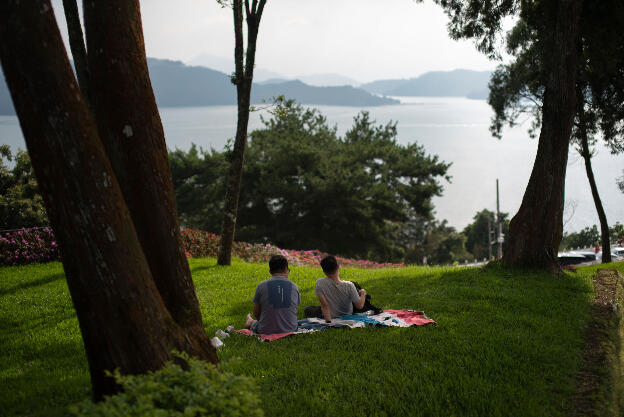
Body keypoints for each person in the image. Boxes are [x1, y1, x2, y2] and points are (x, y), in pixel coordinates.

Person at [245, 255, 300, 334]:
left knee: (255, 323)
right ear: (286, 269)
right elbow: (293, 310)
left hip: (265, 330)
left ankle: (250, 321)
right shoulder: (294, 287)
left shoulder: (261, 286)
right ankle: (251, 321)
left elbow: (256, 313)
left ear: (270, 271)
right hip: (291, 329)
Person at [314, 255, 367, 322]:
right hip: (347, 315)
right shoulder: (349, 285)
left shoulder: (319, 283)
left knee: (310, 309)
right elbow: (359, 306)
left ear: (324, 271)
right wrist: (363, 293)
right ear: (338, 267)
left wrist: (328, 322)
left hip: (330, 315)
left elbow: (324, 305)